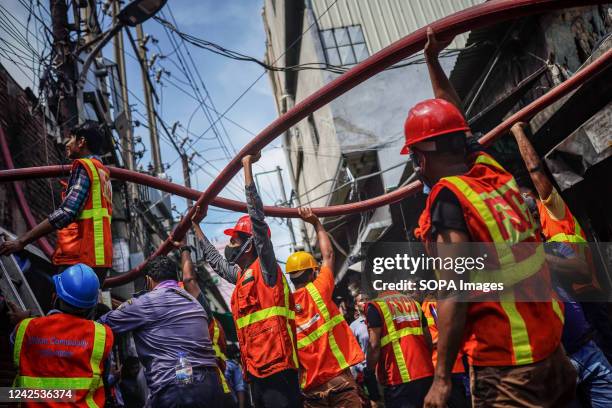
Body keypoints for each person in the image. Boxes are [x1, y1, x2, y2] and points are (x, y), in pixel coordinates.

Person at [412, 27, 576, 407]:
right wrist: (432, 60)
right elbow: (455, 122)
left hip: (507, 369)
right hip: (553, 352)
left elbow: (453, 289)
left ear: (421, 159)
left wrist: (440, 380)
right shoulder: (491, 171)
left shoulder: (448, 198)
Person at [190, 151, 300, 408]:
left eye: (235, 239)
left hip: (278, 368)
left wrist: (247, 167)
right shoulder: (240, 276)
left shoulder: (266, 269)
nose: (229, 244)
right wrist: (196, 227)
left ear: (250, 244)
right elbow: (215, 262)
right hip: (255, 371)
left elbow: (258, 221)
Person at [511, 121, 612, 362]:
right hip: (574, 315)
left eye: (527, 202)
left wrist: (517, 134)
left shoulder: (553, 213)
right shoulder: (532, 237)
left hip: (594, 303)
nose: (525, 210)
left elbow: (536, 171)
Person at [98, 256, 223, 408]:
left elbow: (102, 324)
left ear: (148, 280)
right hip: (212, 386)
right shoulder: (193, 301)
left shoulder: (146, 302)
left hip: (179, 386)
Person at [0, 121, 113, 284]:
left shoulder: (84, 166)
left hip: (81, 258)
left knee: (64, 306)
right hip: (100, 260)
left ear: (81, 142)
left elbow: (67, 212)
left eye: (71, 139)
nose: (67, 143)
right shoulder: (103, 174)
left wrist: (21, 241)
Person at [285, 207, 364, 407]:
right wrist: (316, 223)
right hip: (339, 381)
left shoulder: (285, 308)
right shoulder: (319, 289)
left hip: (311, 391)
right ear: (313, 272)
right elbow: (328, 255)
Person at [9, 263, 114, 407]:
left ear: (55, 296)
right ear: (92, 305)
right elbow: (106, 375)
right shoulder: (101, 336)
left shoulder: (25, 328)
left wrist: (25, 321)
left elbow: (19, 350)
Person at [176, 238, 233, 402]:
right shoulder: (207, 321)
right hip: (218, 386)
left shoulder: (199, 317)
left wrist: (185, 248)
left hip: (207, 388)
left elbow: (188, 279)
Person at [365, 290, 434, 408]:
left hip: (399, 376)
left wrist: (369, 372)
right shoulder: (414, 303)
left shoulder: (376, 306)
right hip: (426, 372)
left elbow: (374, 345)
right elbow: (428, 339)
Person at [420, 297, 470, 408]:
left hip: (448, 366)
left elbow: (448, 332)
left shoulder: (432, 305)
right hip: (439, 367)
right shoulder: (422, 307)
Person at [225, 344, 248, 408]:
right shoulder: (235, 366)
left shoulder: (222, 365)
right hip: (232, 401)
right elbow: (240, 387)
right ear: (237, 355)